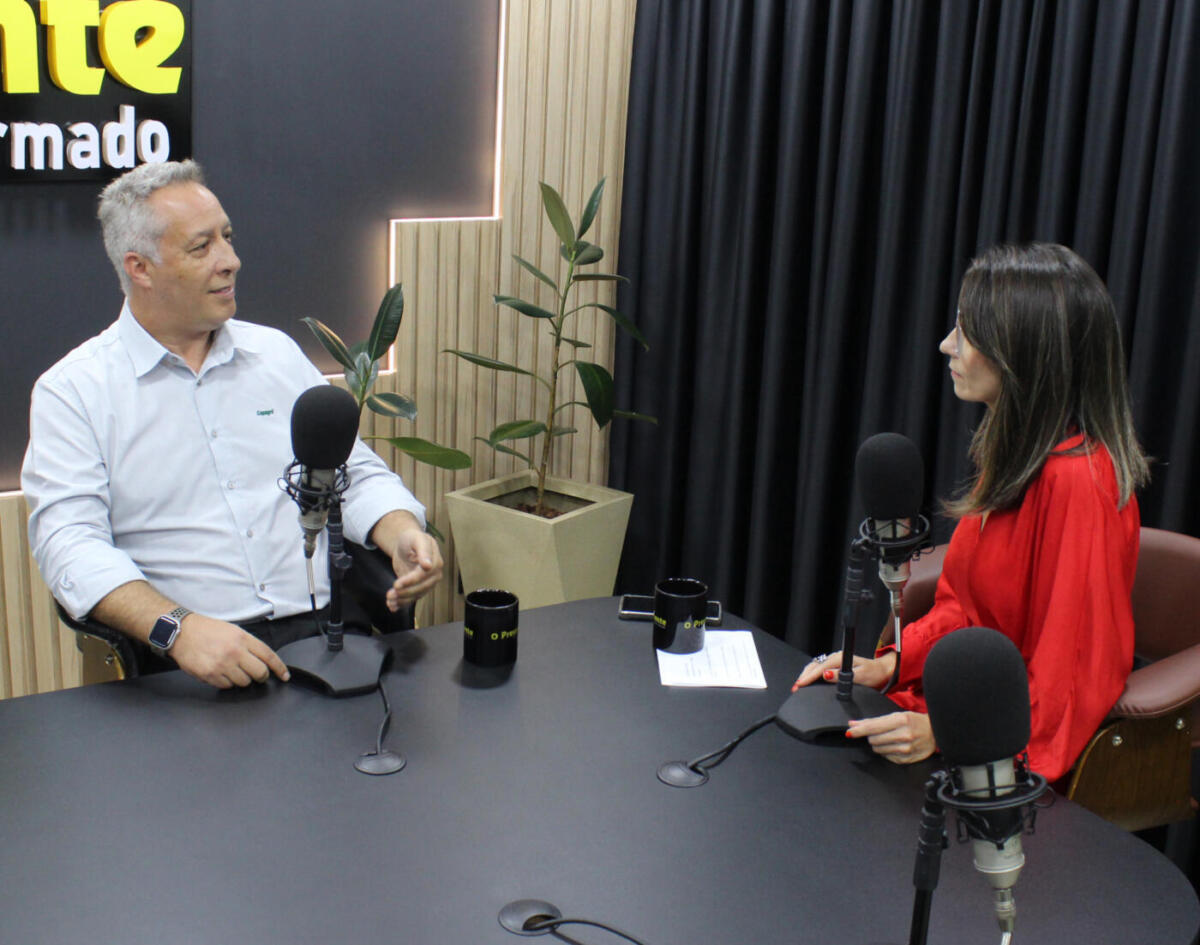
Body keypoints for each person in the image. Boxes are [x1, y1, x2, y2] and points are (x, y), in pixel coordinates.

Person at [21, 159, 443, 690]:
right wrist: (178, 629)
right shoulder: (74, 391)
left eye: (227, 237)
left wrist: (400, 531)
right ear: (140, 268)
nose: (231, 261)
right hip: (189, 656)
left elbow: (350, 475)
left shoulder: (275, 354)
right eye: (202, 247)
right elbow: (69, 545)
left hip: (328, 634)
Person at [792, 242, 1149, 783]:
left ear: (1023, 350)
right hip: (961, 707)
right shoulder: (1019, 452)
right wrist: (890, 665)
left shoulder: (1081, 484)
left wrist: (947, 733)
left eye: (967, 332)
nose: (946, 345)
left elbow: (1069, 679)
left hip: (1002, 753)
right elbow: (966, 610)